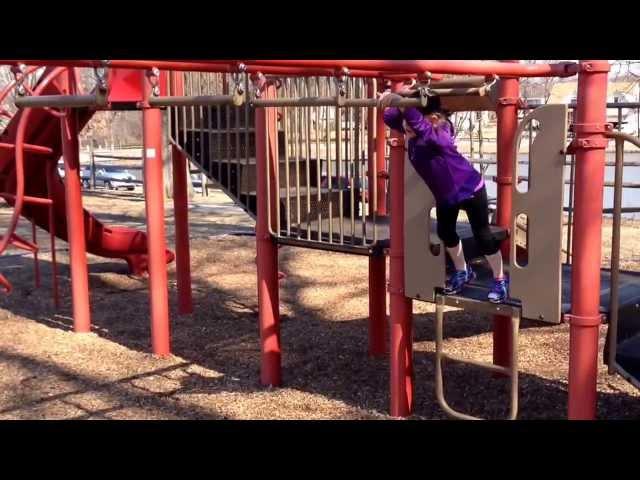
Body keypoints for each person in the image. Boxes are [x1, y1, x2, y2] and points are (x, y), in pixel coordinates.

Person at [380, 90, 508, 303]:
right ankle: (462, 271)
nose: (405, 130)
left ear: (433, 119)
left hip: (471, 190)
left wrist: (401, 103)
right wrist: (391, 98)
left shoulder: (440, 135)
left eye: (410, 125)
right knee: (446, 232)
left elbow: (420, 127)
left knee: (483, 236)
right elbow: (390, 117)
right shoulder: (414, 132)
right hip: (446, 196)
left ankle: (500, 279)